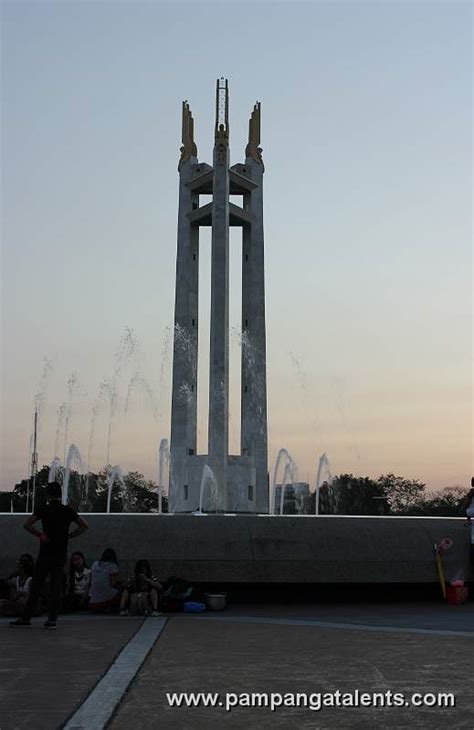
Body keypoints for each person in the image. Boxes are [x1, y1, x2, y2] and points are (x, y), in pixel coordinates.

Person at [10, 481, 89, 630]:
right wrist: (70, 535)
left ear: (48, 495)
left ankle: (26, 618)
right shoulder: (67, 510)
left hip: (45, 553)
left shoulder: (43, 510)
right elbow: (84, 525)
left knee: (37, 585)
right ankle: (52, 619)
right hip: (60, 553)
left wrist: (40, 535)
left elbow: (27, 524)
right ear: (60, 494)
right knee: (56, 586)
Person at [88, 548, 122, 613]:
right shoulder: (112, 566)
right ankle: (110, 608)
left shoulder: (94, 564)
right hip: (105, 598)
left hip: (92, 598)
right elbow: (113, 583)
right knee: (120, 591)